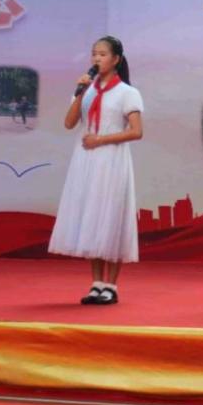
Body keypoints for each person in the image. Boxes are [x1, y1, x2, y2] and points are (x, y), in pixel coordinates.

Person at [48, 36, 143, 306]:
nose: (96, 59)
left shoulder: (127, 92)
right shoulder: (86, 89)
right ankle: (96, 283)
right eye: (94, 54)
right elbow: (69, 123)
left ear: (116, 59)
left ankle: (111, 285)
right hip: (86, 159)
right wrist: (79, 92)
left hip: (111, 158)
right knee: (91, 216)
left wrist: (100, 140)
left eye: (102, 54)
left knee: (111, 217)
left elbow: (136, 131)